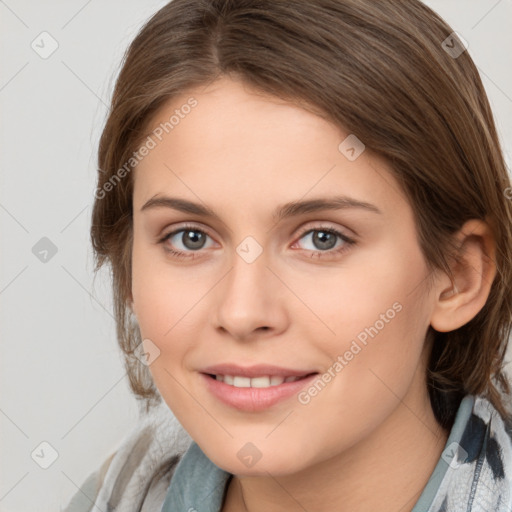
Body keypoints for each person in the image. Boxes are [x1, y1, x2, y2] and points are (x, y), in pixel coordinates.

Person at [64, 0, 512, 510]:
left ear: (458, 275)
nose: (242, 312)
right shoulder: (122, 491)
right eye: (189, 237)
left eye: (323, 238)